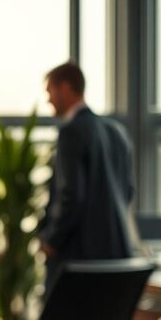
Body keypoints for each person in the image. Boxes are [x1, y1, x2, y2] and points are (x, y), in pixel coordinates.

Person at [39, 62, 135, 289]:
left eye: (49, 91)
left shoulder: (71, 132)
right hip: (117, 257)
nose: (48, 100)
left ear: (64, 88)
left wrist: (52, 240)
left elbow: (70, 195)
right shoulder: (117, 132)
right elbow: (128, 191)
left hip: (79, 261)